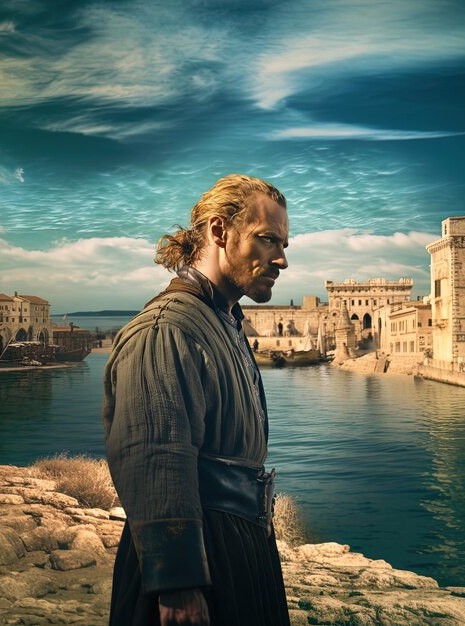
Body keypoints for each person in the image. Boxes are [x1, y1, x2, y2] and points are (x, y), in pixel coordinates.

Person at [102, 174, 291, 626]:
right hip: (197, 571)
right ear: (219, 231)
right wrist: (178, 583)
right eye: (267, 240)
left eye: (284, 244)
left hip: (240, 551)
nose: (281, 259)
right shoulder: (167, 329)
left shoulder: (223, 321)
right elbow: (154, 454)